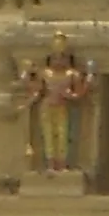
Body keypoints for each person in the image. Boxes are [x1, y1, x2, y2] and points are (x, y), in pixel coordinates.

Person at [24, 35, 93, 172]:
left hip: (62, 107)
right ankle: (50, 164)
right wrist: (27, 83)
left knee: (62, 135)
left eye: (62, 57)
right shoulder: (45, 73)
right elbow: (37, 91)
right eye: (55, 57)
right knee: (48, 135)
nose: (59, 60)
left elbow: (78, 94)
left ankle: (61, 164)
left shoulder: (72, 74)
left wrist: (85, 83)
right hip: (46, 107)